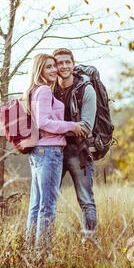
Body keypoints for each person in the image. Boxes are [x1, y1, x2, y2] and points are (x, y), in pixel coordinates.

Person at [19, 53, 86, 256]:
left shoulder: (34, 91)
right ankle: (42, 254)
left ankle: (29, 250)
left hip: (39, 152)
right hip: (49, 152)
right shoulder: (45, 91)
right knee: (47, 207)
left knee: (36, 205)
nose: (54, 70)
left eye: (53, 66)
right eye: (48, 67)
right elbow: (45, 123)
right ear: (39, 69)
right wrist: (72, 126)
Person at [51, 48, 98, 243]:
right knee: (48, 201)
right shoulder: (49, 88)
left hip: (78, 152)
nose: (63, 66)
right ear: (55, 66)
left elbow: (86, 127)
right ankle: (44, 245)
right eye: (59, 63)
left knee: (86, 201)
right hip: (53, 151)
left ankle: (89, 244)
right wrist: (69, 127)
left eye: (67, 62)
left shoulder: (86, 90)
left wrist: (53, 128)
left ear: (73, 63)